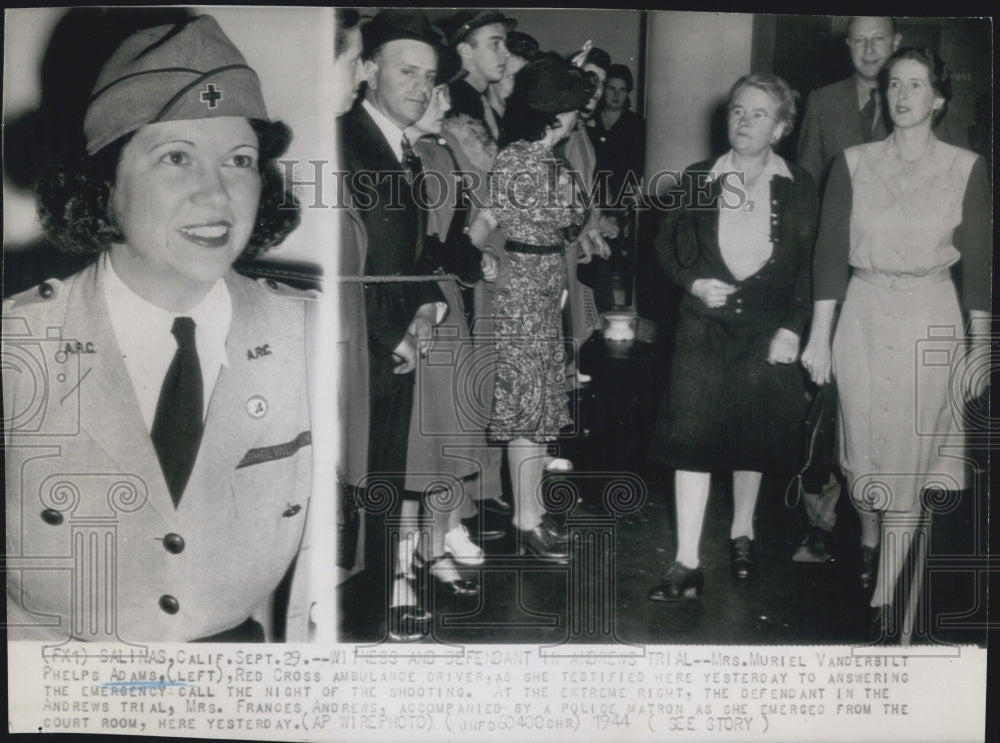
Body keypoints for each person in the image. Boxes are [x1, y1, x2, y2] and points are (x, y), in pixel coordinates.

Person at [4, 15, 308, 642]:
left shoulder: (307, 335)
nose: (217, 194)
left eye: (240, 160)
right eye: (176, 158)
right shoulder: (15, 348)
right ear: (104, 186)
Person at [801, 48, 990, 640]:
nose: (902, 95)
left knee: (908, 460)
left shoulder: (966, 166)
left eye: (916, 85)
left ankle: (892, 601)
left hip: (929, 318)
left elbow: (982, 266)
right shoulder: (852, 163)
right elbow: (830, 254)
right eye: (893, 85)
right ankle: (869, 533)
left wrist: (981, 347)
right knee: (861, 461)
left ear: (938, 98)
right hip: (862, 315)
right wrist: (818, 336)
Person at [648, 74, 818, 601]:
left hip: (766, 332)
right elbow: (664, 246)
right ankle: (686, 561)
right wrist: (694, 282)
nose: (744, 123)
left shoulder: (801, 185)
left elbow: (811, 266)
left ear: (781, 128)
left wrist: (793, 327)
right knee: (691, 440)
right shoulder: (699, 178)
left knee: (753, 439)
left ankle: (742, 533)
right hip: (703, 329)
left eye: (759, 115)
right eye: (737, 112)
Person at [339, 9, 447, 642]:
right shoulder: (345, 143)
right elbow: (350, 263)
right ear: (368, 69)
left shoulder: (402, 149)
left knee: (380, 489)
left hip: (397, 347)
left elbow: (408, 250)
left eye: (429, 78)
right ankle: (356, 627)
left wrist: (427, 301)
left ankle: (376, 619)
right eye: (407, 71)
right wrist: (391, 333)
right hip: (368, 349)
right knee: (355, 497)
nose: (421, 88)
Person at [465, 54, 593, 563]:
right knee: (525, 413)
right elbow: (490, 218)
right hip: (523, 292)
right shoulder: (522, 159)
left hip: (542, 286)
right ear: (554, 113)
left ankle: (533, 512)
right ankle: (527, 519)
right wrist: (478, 258)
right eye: (571, 108)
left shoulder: (539, 158)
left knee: (539, 412)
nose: (577, 117)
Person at [439, 9, 513, 141]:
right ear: (465, 51)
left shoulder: (482, 105)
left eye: (504, 44)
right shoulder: (451, 105)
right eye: (495, 44)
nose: (506, 53)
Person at [485, 30, 539, 144]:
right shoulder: (478, 127)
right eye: (514, 76)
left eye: (526, 78)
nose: (521, 85)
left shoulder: (523, 125)